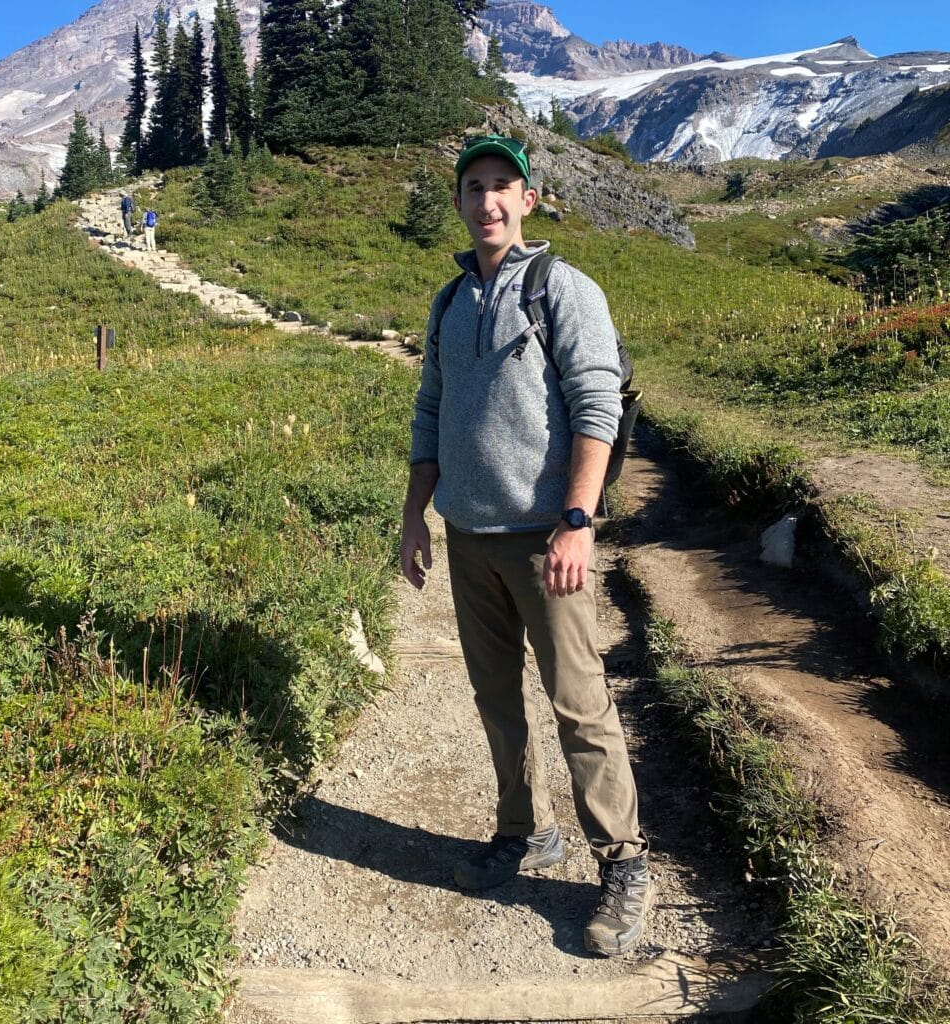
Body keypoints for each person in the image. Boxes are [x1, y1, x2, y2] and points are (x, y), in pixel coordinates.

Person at [400, 133, 651, 956]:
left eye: (503, 185)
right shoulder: (447, 302)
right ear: (461, 201)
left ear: (529, 199)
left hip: (547, 542)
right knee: (496, 701)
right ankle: (523, 830)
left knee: (579, 704)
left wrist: (577, 521)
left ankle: (622, 863)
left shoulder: (560, 288)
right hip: (467, 538)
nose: (488, 201)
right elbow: (430, 413)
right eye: (474, 187)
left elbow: (596, 406)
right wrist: (415, 518)